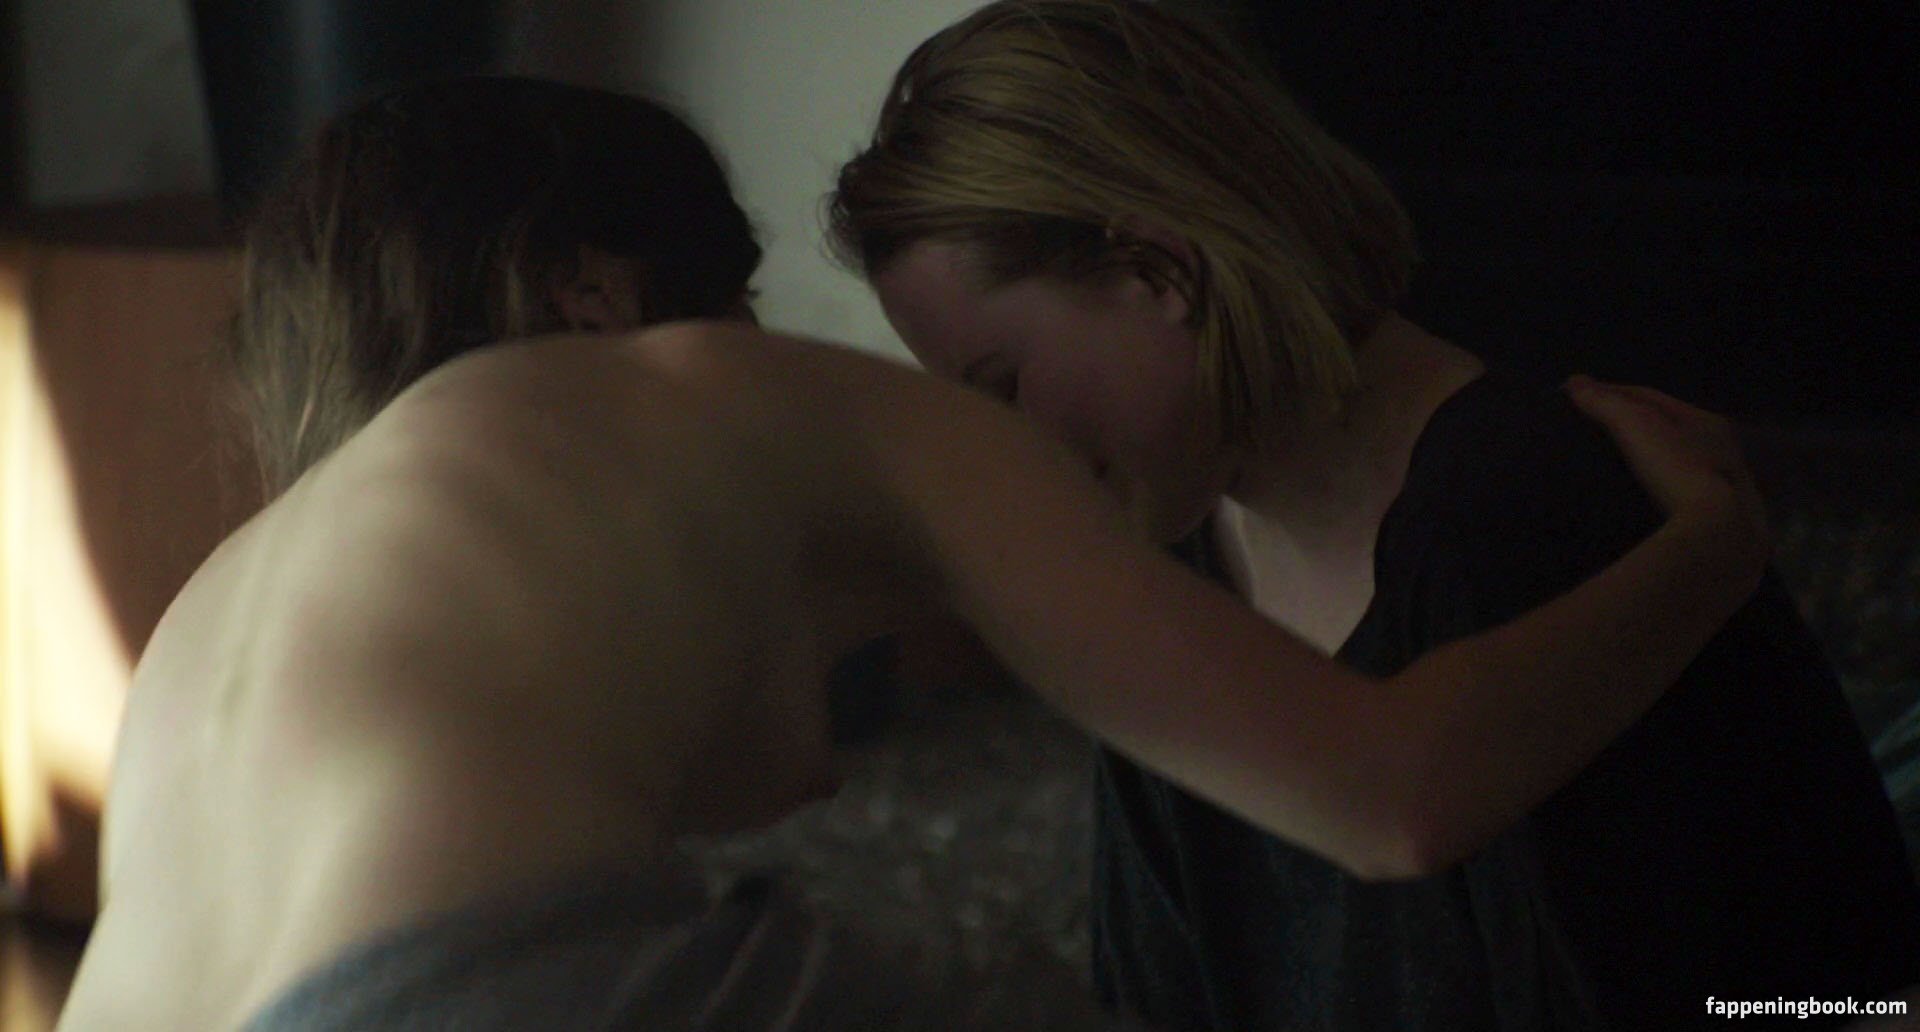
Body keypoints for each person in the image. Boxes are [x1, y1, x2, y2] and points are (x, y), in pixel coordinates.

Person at [59, 76, 1764, 1031]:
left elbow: (746, 771)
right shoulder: (723, 388)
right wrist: (1714, 542)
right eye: (733, 292)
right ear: (598, 291)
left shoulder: (238, 593)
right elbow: (1391, 794)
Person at [827, 2, 1920, 1029]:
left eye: (1003, 387)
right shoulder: (1166, 577)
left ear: (1157, 269)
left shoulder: (1522, 511)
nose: (1007, 458)